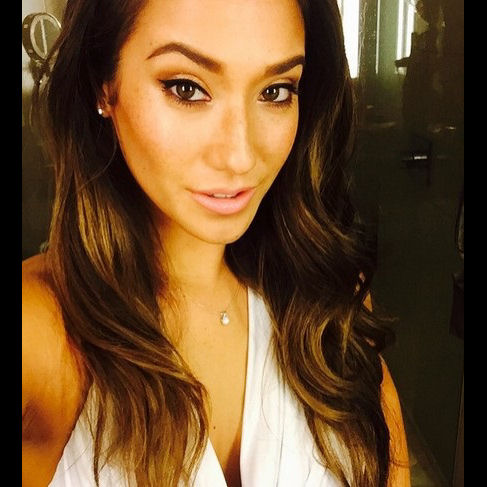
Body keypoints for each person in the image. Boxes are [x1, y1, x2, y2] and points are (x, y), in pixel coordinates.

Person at [22, 0, 410, 486]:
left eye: (275, 91)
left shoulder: (326, 306)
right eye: (187, 88)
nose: (240, 155)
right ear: (103, 83)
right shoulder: (39, 331)